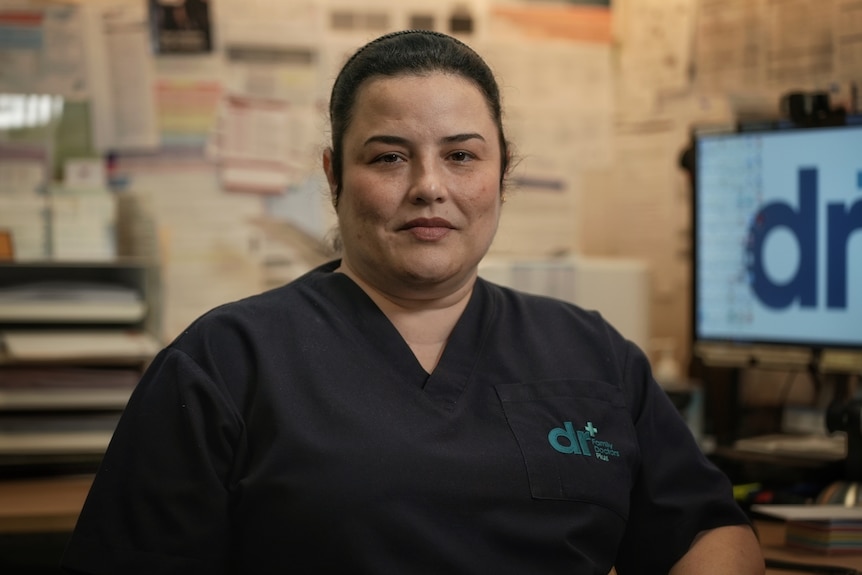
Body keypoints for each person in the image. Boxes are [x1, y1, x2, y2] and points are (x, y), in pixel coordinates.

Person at [61, 30, 764, 574]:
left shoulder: (592, 352)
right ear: (335, 176)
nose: (430, 186)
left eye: (461, 155)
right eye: (389, 156)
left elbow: (709, 528)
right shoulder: (223, 364)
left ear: (501, 171)